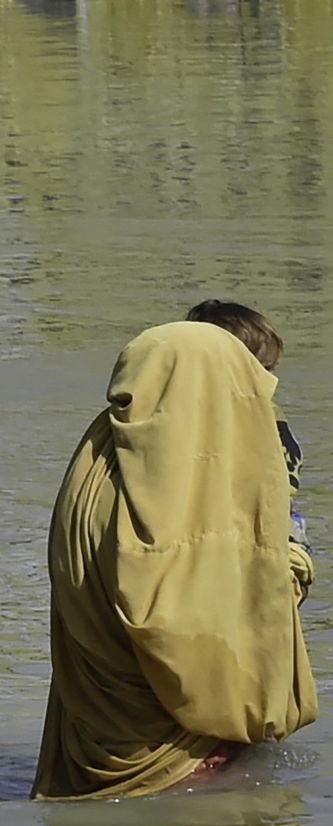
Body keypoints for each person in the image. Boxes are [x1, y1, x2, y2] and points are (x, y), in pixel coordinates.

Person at [33, 321, 318, 800]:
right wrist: (292, 561)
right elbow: (184, 627)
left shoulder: (95, 467)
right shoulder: (192, 486)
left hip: (92, 744)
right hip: (186, 759)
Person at [185, 299, 308, 550]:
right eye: (258, 369)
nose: (270, 380)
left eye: (271, 369)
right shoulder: (183, 424)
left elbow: (282, 507)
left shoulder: (270, 422)